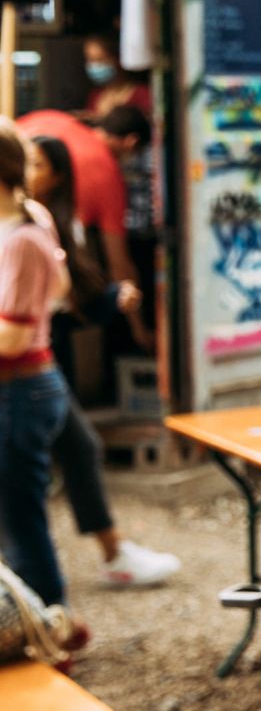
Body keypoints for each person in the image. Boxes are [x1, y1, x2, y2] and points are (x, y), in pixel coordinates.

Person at [24, 135, 179, 587]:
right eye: (27, 163)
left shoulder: (43, 223)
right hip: (23, 369)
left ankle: (110, 557)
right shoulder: (24, 228)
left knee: (75, 449)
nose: (32, 173)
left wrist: (107, 299)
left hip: (37, 364)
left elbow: (67, 298)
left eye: (40, 164)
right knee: (26, 488)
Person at [0, 118, 75, 610]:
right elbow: (62, 288)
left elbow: (13, 337)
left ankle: (51, 627)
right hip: (29, 389)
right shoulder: (29, 217)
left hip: (21, 391)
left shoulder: (22, 237)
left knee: (23, 525)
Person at [14, 105, 148, 287]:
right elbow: (119, 265)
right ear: (131, 142)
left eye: (37, 165)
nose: (28, 173)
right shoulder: (109, 177)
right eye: (31, 164)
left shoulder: (52, 118)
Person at [81, 37, 151, 120]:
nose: (94, 66)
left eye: (100, 60)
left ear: (118, 59)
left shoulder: (142, 94)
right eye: (90, 60)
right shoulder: (95, 95)